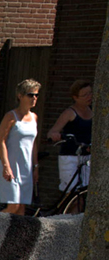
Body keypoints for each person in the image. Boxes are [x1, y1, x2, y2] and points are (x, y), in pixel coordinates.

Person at [0, 79, 41, 214]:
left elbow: (33, 145)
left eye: (36, 95)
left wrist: (36, 167)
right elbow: (1, 141)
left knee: (21, 209)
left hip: (26, 168)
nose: (34, 98)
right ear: (20, 96)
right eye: (30, 95)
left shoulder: (34, 117)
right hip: (12, 166)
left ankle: (14, 235)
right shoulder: (11, 116)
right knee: (13, 207)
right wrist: (6, 166)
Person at [47, 79, 93, 211]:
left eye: (90, 93)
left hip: (87, 157)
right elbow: (52, 132)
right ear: (75, 97)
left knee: (84, 193)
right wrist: (55, 135)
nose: (89, 97)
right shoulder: (70, 113)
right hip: (70, 157)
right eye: (84, 95)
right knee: (73, 196)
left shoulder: (93, 111)